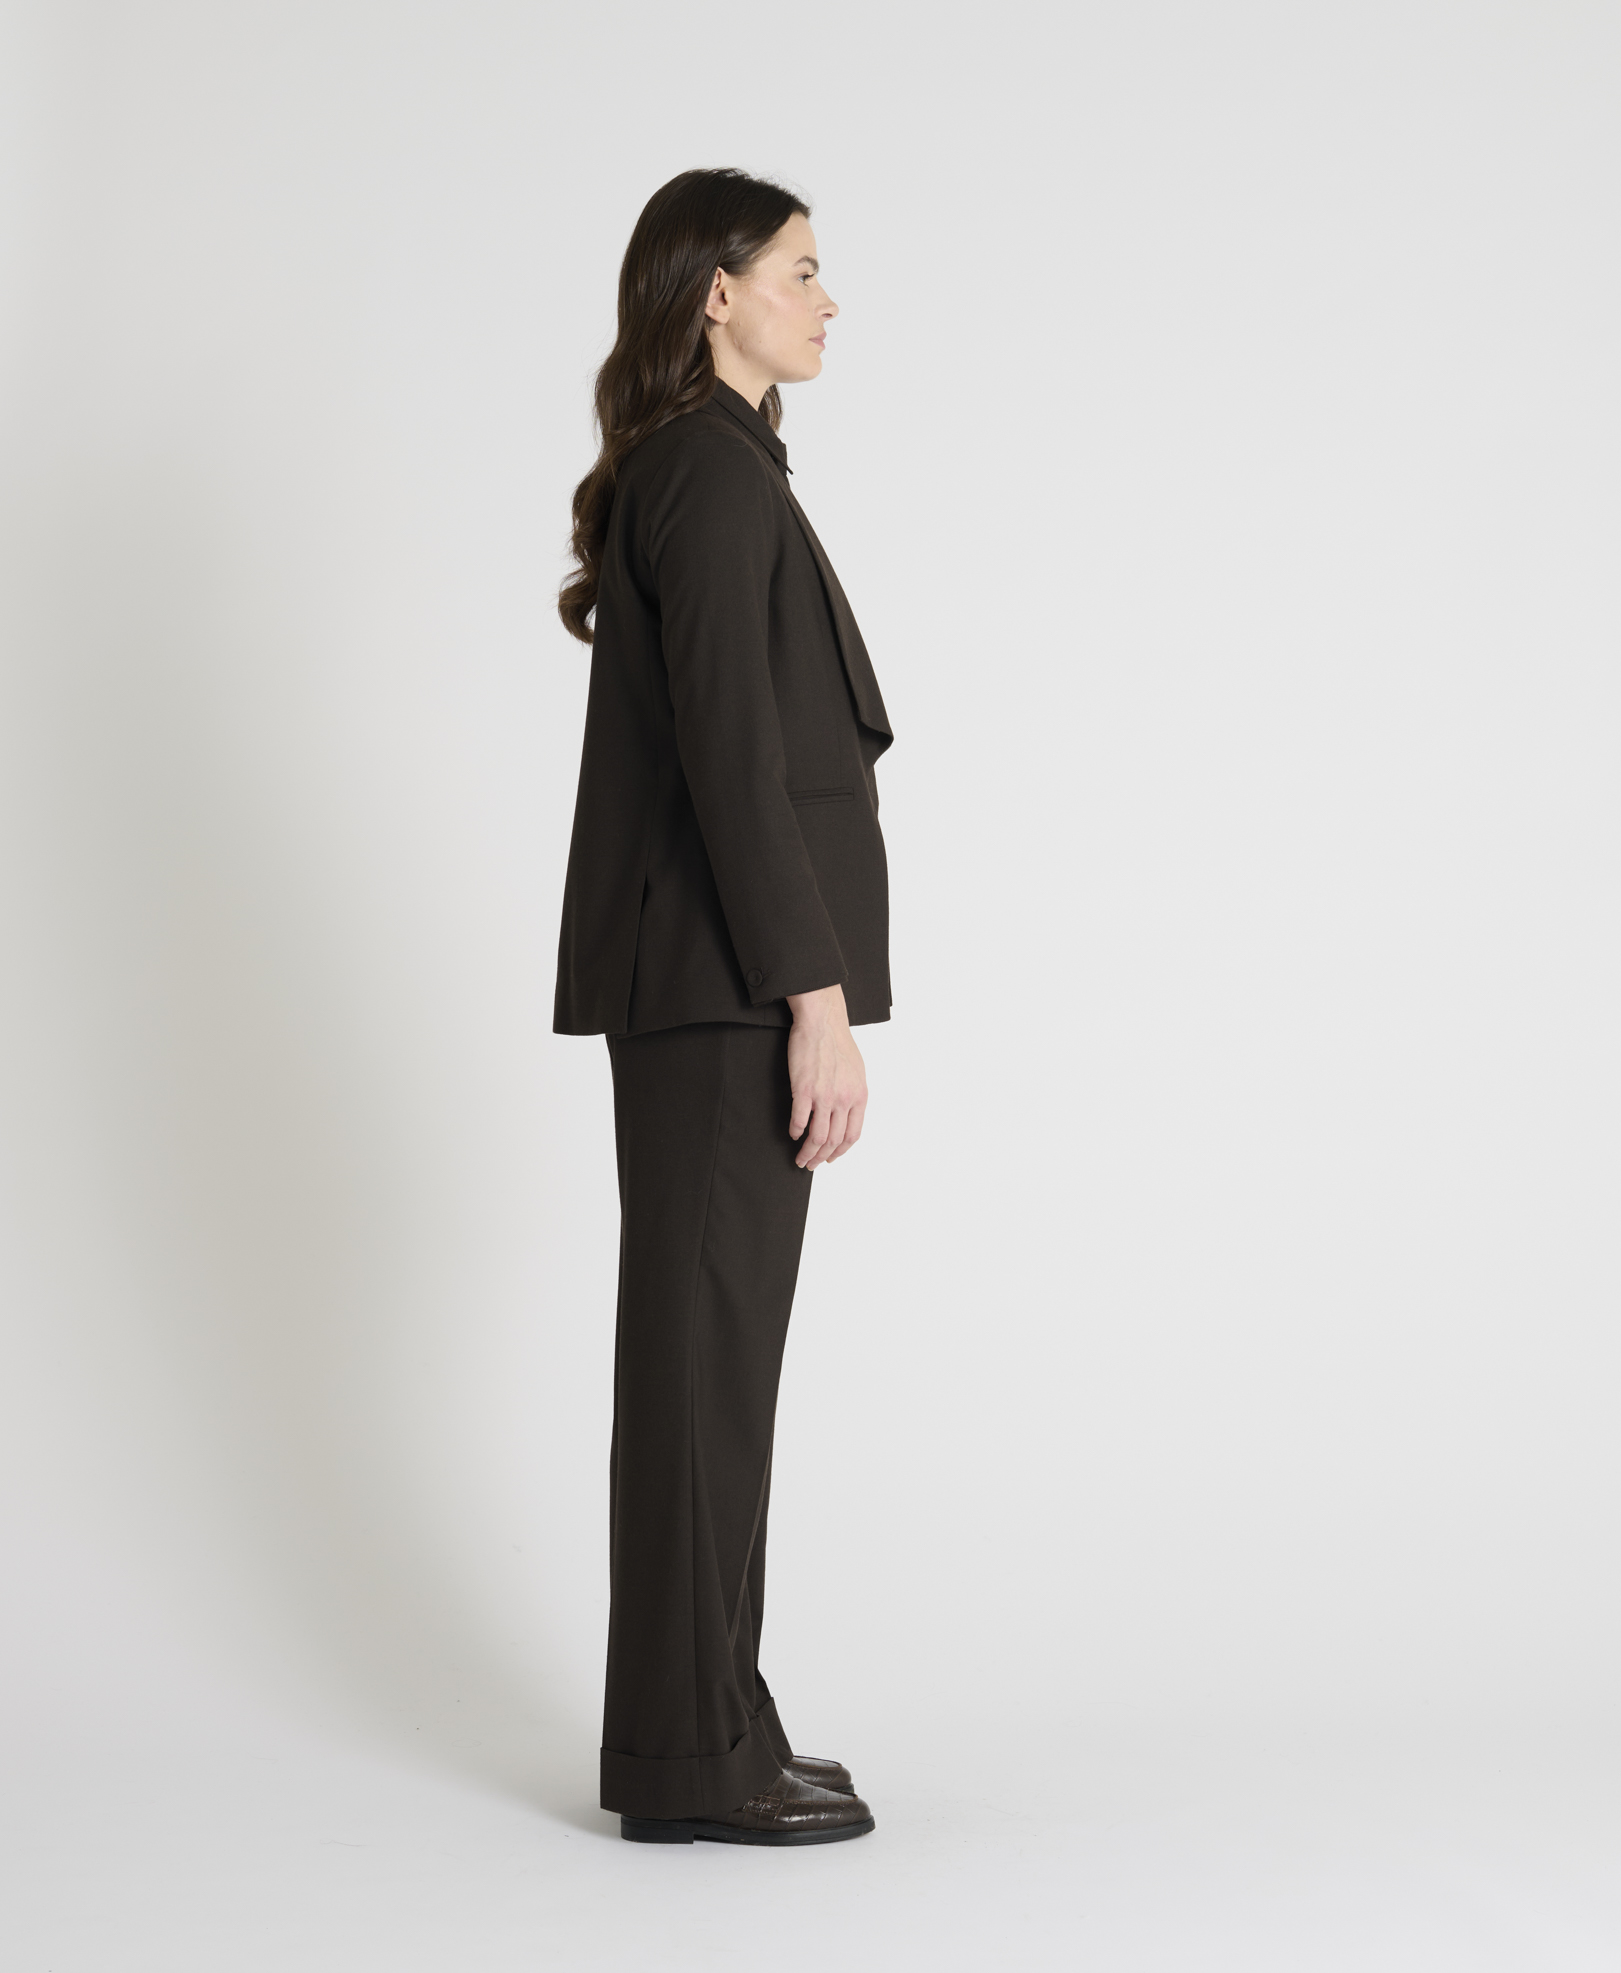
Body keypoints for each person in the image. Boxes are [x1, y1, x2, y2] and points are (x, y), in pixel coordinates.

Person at [552, 169, 893, 1847]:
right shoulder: (704, 469)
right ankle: (689, 1757)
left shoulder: (718, 465)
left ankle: (719, 1719)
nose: (828, 301)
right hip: (720, 984)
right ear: (716, 292)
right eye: (801, 271)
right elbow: (735, 766)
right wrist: (812, 1000)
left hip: (714, 976)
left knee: (718, 1360)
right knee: (700, 1362)